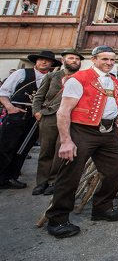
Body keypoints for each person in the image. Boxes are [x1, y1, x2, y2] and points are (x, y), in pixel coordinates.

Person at [46, 46, 118, 238]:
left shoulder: (114, 81)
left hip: (108, 131)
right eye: (104, 59)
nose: (109, 63)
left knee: (115, 169)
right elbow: (64, 111)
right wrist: (66, 141)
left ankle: (102, 208)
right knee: (70, 174)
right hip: (83, 130)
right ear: (94, 59)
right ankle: (57, 219)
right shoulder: (79, 79)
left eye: (112, 60)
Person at [0, 50, 60, 189]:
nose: (44, 62)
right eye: (41, 60)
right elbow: (3, 92)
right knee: (5, 145)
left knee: (23, 148)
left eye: (47, 61)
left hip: (36, 117)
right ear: (36, 61)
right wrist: (10, 108)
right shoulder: (21, 73)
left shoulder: (52, 78)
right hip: (17, 113)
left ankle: (11, 177)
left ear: (51, 63)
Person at [31, 49, 83, 196]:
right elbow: (39, 96)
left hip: (69, 117)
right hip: (49, 116)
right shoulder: (51, 76)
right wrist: (37, 112)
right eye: (71, 58)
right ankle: (41, 182)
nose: (74, 61)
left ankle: (54, 181)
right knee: (46, 150)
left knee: (61, 150)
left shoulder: (81, 78)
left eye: (77, 59)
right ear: (63, 60)